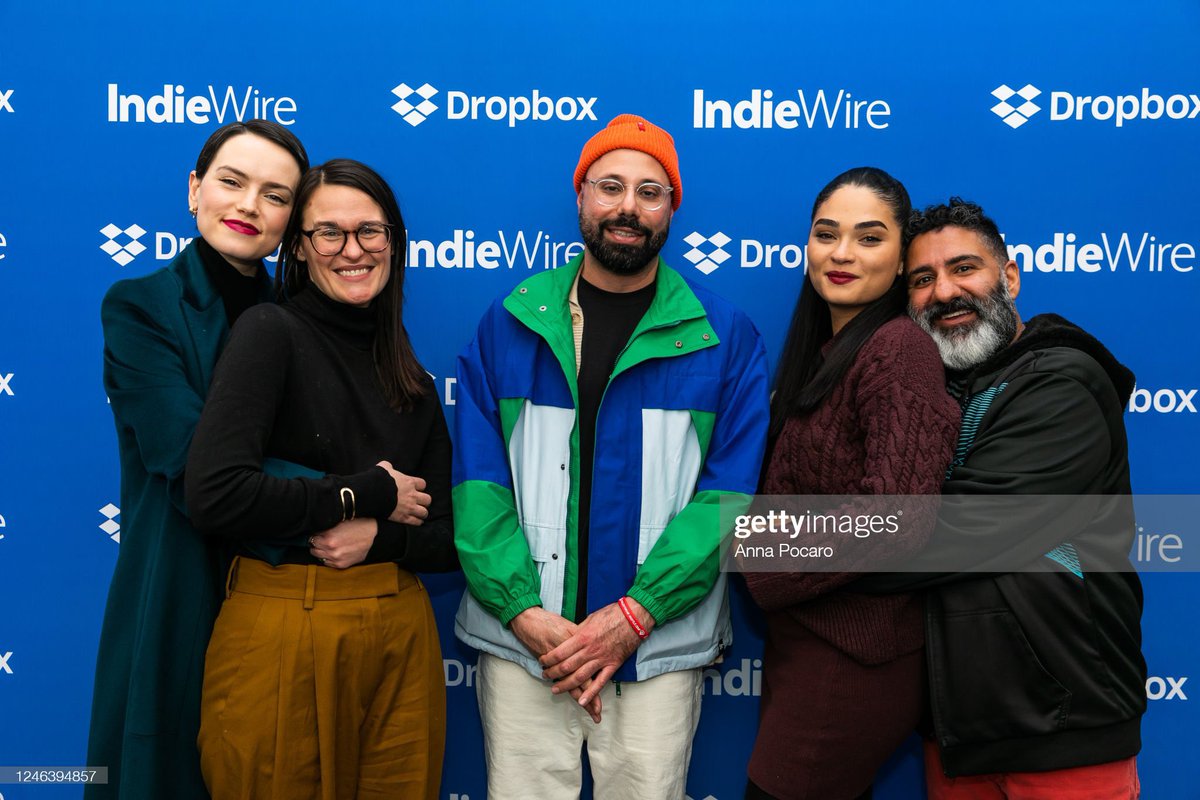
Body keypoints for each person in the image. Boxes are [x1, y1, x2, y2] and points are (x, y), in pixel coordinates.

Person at [452, 113, 770, 799]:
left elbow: (727, 499)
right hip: (526, 647)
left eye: (650, 191)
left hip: (655, 649)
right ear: (581, 196)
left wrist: (633, 616)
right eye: (611, 186)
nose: (628, 207)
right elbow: (479, 489)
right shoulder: (509, 325)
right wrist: (525, 614)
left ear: (672, 207)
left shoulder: (725, 339)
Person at [183, 159, 457, 800]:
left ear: (394, 240)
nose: (352, 250)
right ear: (300, 250)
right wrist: (364, 494)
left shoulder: (406, 371)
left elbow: (448, 533)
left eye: (370, 231)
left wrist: (378, 540)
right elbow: (215, 492)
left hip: (401, 626)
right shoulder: (269, 333)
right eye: (328, 233)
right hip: (286, 620)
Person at [854, 198, 1146, 799]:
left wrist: (792, 543)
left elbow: (939, 536)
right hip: (957, 736)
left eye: (965, 269)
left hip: (1065, 731)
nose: (944, 292)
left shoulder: (1062, 381)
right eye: (923, 279)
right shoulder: (928, 396)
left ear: (1009, 278)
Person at [87, 120, 308, 800]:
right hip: (176, 590)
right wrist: (347, 498)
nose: (248, 206)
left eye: (275, 196)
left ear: (292, 222)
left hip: (288, 601)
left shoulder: (310, 321)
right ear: (194, 189)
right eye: (232, 182)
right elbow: (193, 468)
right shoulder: (142, 308)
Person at [741, 167, 961, 800]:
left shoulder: (898, 350)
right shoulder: (823, 353)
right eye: (826, 234)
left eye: (869, 238)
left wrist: (759, 551)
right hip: (809, 650)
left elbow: (897, 516)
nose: (841, 254)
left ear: (900, 262)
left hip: (854, 661)